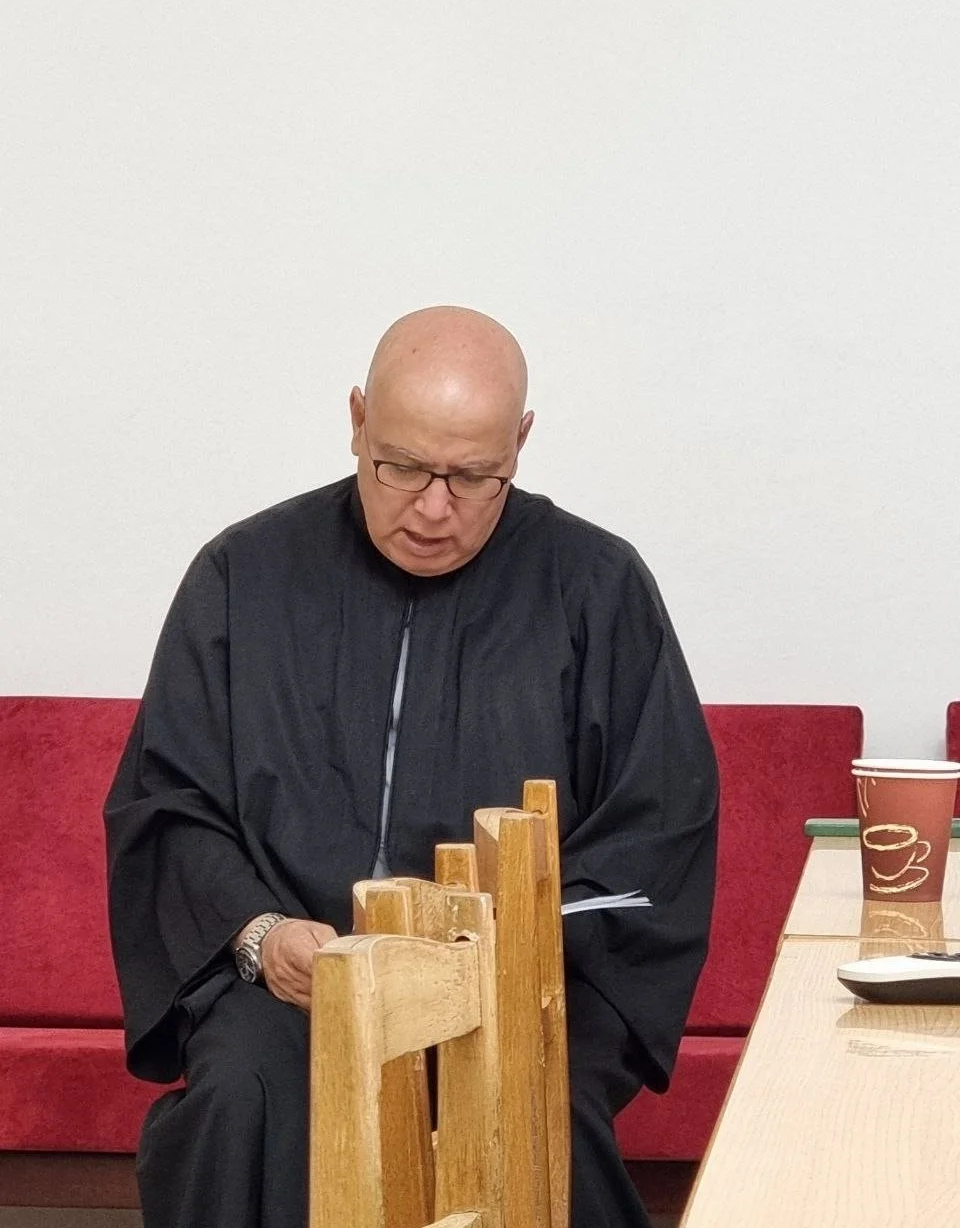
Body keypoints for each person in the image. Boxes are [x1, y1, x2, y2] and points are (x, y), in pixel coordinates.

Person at [104, 305, 718, 1228]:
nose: (433, 509)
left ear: (521, 443)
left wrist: (504, 955)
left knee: (534, 1109)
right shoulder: (243, 574)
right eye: (401, 467)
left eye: (473, 477)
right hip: (300, 988)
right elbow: (169, 800)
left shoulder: (598, 586)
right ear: (357, 421)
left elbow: (657, 824)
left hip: (521, 984)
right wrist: (263, 936)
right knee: (242, 1097)